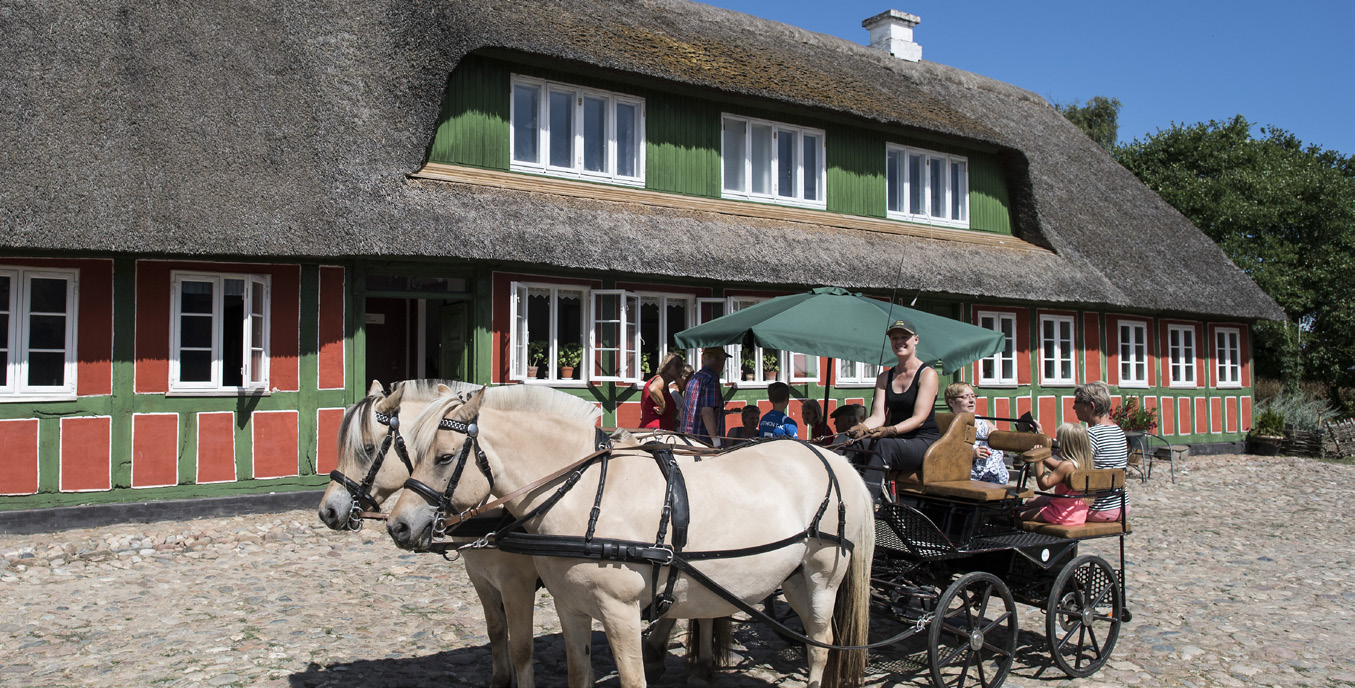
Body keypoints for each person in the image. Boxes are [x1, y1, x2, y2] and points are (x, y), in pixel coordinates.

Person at [845, 319, 942, 499]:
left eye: (905, 337)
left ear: (916, 340)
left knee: (884, 446)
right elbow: (877, 416)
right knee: (850, 442)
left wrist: (890, 430)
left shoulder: (928, 374)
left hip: (923, 441)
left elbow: (919, 418)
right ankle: (843, 496)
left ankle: (870, 503)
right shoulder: (884, 377)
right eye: (895, 338)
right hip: (896, 439)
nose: (899, 342)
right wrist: (863, 428)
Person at [1073, 381, 1128, 522]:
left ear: (1090, 406)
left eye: (1077, 402)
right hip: (1122, 505)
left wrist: (1042, 457)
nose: (1074, 407)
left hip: (1099, 509)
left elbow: (1071, 470)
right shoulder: (1118, 431)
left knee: (1040, 504)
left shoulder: (1092, 434)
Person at [1018, 422, 1091, 525]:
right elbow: (1058, 470)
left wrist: (1038, 459)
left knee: (1019, 516)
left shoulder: (1066, 465)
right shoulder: (1084, 463)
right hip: (1077, 514)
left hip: (1061, 514)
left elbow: (1044, 485)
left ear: (1066, 445)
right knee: (1031, 502)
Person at [943, 382, 1008, 485]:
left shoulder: (980, 419)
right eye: (965, 397)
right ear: (951, 402)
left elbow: (997, 434)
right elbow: (946, 456)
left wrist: (993, 431)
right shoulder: (950, 424)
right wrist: (971, 455)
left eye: (973, 396)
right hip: (973, 479)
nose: (972, 400)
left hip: (997, 476)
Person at [680, 348, 731, 446]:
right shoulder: (711, 378)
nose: (722, 365)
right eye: (723, 361)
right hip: (704, 442)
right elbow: (707, 411)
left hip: (688, 440)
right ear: (718, 360)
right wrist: (716, 441)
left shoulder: (695, 377)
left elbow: (683, 411)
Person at [639, 352, 684, 430]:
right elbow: (652, 389)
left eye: (681, 366)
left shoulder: (664, 384)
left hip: (659, 432)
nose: (680, 369)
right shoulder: (660, 379)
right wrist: (663, 406)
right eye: (677, 366)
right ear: (667, 366)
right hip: (655, 433)